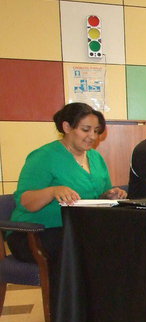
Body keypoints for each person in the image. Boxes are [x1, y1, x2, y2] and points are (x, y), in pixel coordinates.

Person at [9, 102, 126, 275]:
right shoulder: (44, 157)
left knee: (122, 241)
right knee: (88, 247)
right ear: (67, 127)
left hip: (78, 230)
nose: (92, 136)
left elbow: (96, 198)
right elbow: (26, 202)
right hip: (35, 235)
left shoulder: (96, 158)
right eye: (86, 130)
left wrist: (109, 195)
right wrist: (52, 191)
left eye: (96, 131)